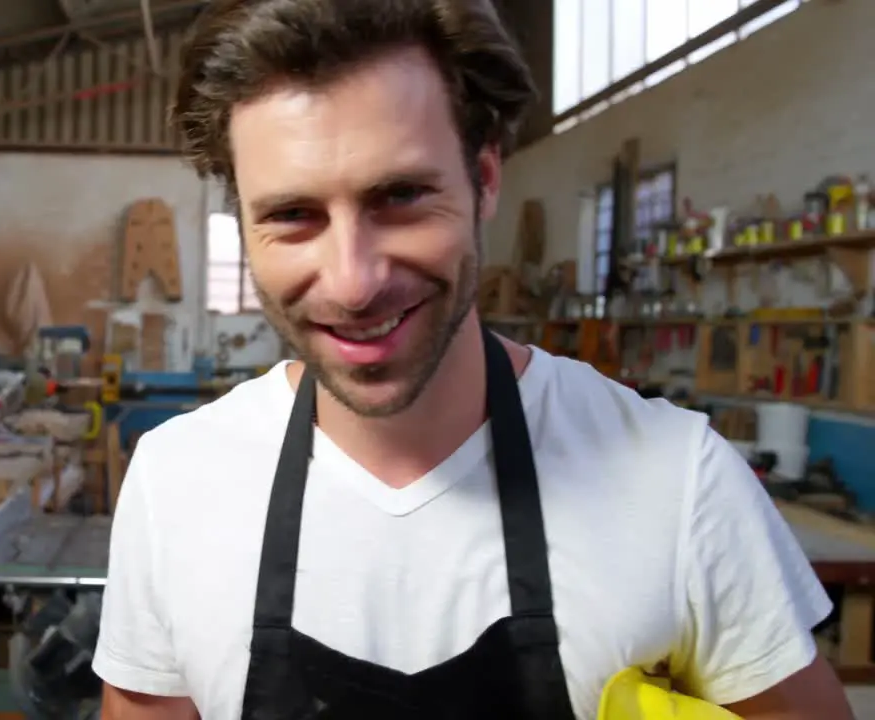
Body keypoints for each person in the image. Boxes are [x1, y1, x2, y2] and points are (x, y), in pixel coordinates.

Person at [92, 0, 854, 718]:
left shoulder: (679, 484)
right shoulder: (176, 485)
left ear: (485, 178)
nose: (354, 282)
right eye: (293, 215)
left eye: (400, 196)